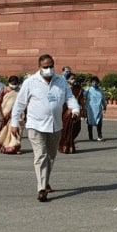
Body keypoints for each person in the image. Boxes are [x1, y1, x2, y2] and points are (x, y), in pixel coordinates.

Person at [10, 54, 81, 202]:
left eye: (51, 66)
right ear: (39, 67)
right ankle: (41, 188)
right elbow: (20, 104)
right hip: (35, 125)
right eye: (45, 67)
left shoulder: (61, 81)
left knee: (50, 156)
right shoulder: (30, 82)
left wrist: (75, 110)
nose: (48, 69)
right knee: (40, 155)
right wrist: (14, 123)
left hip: (55, 125)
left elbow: (69, 97)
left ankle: (45, 180)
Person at [0, 76, 23, 154]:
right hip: (5, 114)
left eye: (16, 84)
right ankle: (6, 146)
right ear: (9, 83)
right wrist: (0, 114)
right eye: (12, 84)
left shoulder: (20, 91)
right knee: (5, 131)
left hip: (18, 115)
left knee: (17, 131)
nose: (14, 85)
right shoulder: (3, 90)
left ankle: (15, 147)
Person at [58, 72, 83, 154]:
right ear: (67, 80)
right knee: (66, 130)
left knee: (76, 129)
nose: (73, 80)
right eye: (72, 79)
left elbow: (81, 101)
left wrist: (81, 110)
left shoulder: (78, 89)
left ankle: (69, 145)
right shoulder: (63, 88)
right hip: (66, 113)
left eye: (74, 79)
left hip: (76, 112)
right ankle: (65, 147)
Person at [85, 76, 107, 141]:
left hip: (98, 109)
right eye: (93, 82)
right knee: (89, 123)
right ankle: (90, 136)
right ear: (91, 82)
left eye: (96, 82)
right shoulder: (88, 90)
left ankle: (99, 136)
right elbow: (83, 96)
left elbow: (103, 99)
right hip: (90, 109)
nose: (94, 83)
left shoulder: (100, 91)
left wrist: (104, 107)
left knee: (99, 123)